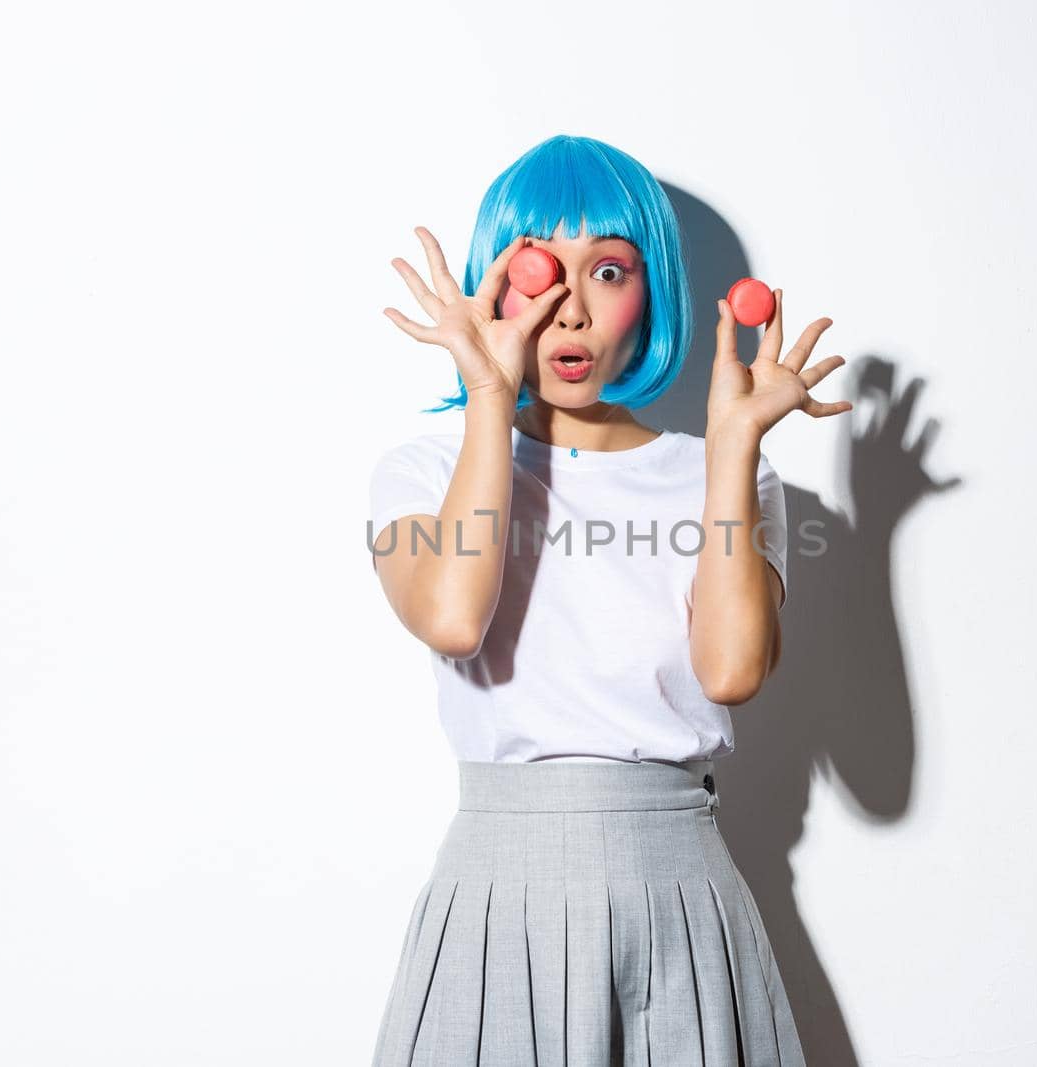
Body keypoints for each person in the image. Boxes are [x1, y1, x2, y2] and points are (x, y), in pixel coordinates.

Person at [365, 134, 851, 1065]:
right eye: (541, 269)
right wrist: (484, 395)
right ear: (495, 282)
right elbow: (455, 618)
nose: (571, 311)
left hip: (678, 893)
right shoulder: (423, 471)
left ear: (650, 291)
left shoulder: (723, 475)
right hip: (497, 892)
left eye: (611, 271)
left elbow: (732, 669)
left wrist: (732, 450)